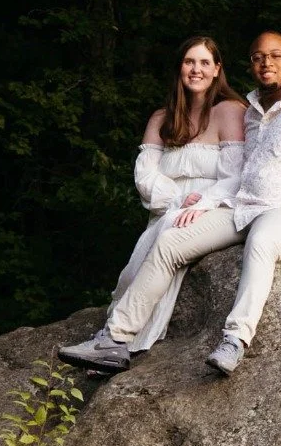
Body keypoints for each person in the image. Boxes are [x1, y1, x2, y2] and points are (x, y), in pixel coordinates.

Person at [61, 31, 281, 379]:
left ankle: (235, 339)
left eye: (275, 55)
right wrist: (207, 203)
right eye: (258, 57)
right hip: (244, 208)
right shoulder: (252, 111)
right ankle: (114, 339)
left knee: (262, 241)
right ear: (251, 65)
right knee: (171, 240)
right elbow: (240, 174)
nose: (266, 62)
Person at [59, 36, 246, 368]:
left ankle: (116, 340)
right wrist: (177, 198)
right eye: (190, 62)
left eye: (205, 63)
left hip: (213, 206)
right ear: (180, 67)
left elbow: (236, 175)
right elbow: (145, 175)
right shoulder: (162, 117)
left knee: (167, 241)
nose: (197, 69)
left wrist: (202, 203)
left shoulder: (230, 111)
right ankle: (111, 346)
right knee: (131, 273)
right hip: (169, 208)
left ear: (218, 69)